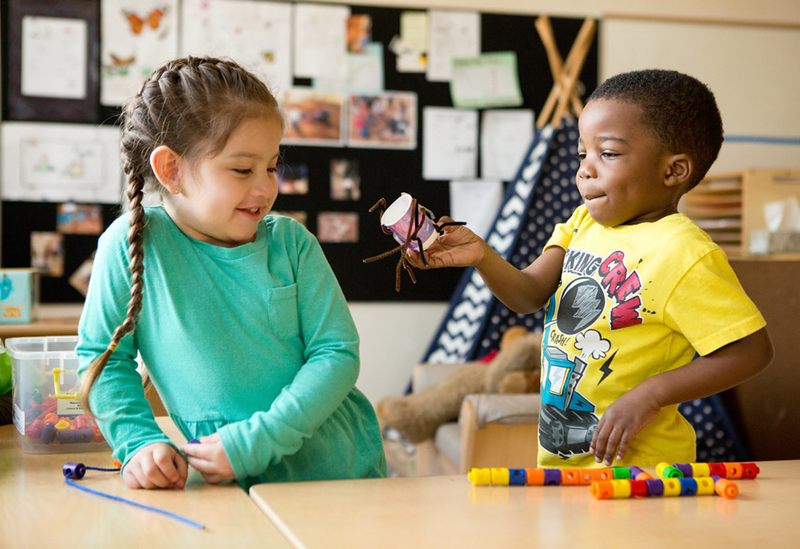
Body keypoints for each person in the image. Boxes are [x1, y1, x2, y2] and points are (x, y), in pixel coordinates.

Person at [409, 69, 773, 469]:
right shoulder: (582, 222)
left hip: (639, 470)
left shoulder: (684, 252)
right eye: (583, 154)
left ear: (673, 171)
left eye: (609, 154)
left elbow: (751, 351)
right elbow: (528, 293)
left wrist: (650, 394)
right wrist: (482, 255)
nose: (585, 169)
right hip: (563, 463)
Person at [76, 56, 386, 491]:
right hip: (223, 481)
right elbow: (105, 359)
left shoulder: (292, 243)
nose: (265, 187)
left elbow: (337, 354)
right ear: (172, 170)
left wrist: (261, 439)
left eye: (272, 166)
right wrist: (138, 443)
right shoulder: (131, 245)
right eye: (243, 169)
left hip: (336, 474)